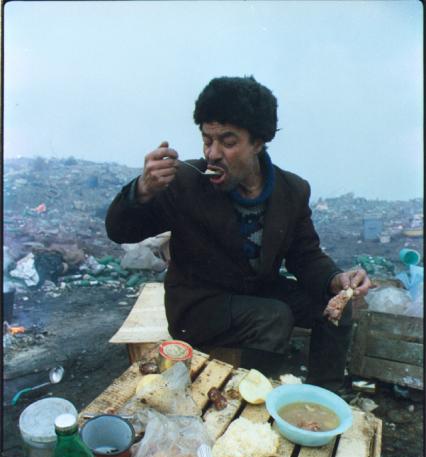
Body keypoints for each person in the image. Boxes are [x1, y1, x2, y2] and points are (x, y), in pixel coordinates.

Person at [106, 75, 371, 392]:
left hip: (257, 293)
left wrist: (335, 280)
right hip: (200, 306)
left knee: (337, 305)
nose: (213, 153)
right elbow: (120, 230)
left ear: (257, 142)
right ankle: (247, 402)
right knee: (273, 317)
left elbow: (306, 255)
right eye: (207, 140)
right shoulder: (184, 184)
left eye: (228, 142)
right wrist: (142, 189)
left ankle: (324, 395)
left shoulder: (291, 191)